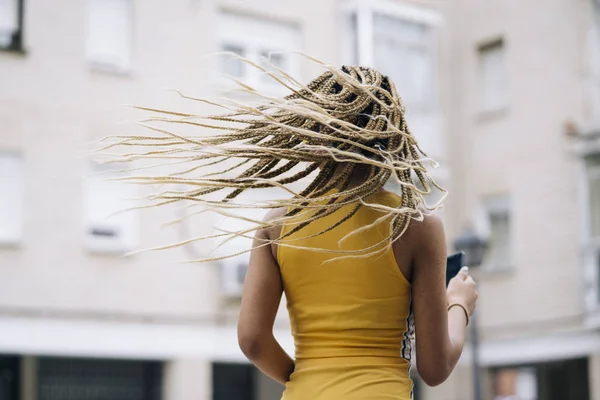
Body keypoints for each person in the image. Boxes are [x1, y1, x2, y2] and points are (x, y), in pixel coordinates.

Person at [104, 63, 478, 399]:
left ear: (315, 131)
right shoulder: (415, 225)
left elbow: (252, 340)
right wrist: (458, 303)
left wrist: (306, 382)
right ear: (392, 133)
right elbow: (434, 368)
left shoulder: (277, 224)